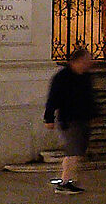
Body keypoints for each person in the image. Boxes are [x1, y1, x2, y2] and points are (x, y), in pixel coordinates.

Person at [42, 47, 97, 194]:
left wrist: (93, 114)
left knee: (77, 151)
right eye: (87, 60)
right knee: (73, 151)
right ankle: (65, 182)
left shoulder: (85, 76)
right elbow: (52, 98)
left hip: (82, 118)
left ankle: (70, 179)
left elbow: (89, 97)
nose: (90, 63)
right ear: (78, 60)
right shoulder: (62, 77)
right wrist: (49, 118)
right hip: (68, 119)